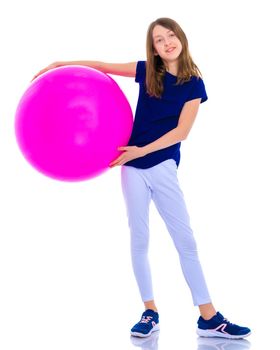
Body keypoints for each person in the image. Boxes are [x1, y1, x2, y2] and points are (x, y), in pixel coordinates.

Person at [34, 17, 251, 340]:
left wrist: (140, 150)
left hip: (161, 165)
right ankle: (150, 312)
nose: (166, 43)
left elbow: (182, 132)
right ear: (154, 49)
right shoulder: (148, 71)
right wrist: (62, 62)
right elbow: (102, 66)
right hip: (132, 168)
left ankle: (209, 317)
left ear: (181, 38)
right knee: (140, 240)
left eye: (170, 36)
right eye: (159, 40)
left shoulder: (194, 83)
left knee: (185, 241)